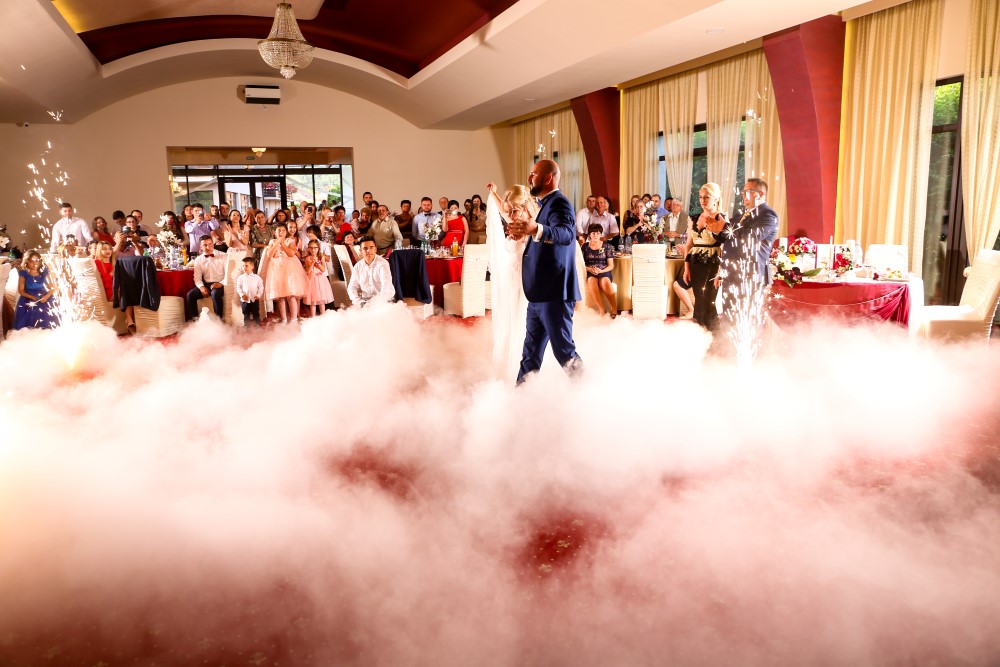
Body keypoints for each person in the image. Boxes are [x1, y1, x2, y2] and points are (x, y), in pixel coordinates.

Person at [506, 159, 583, 384]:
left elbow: (565, 234)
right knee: (530, 354)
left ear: (548, 177)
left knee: (564, 352)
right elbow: (544, 239)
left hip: (554, 293)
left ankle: (586, 388)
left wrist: (536, 229)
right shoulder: (545, 204)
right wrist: (528, 233)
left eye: (533, 174)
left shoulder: (559, 203)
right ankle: (520, 397)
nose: (529, 178)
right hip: (539, 294)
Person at [486, 181, 534, 382]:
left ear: (524, 207)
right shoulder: (515, 219)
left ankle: (523, 361)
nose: (510, 215)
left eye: (514, 210)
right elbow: (502, 210)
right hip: (510, 277)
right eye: (510, 211)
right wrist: (494, 193)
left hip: (524, 279)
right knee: (509, 316)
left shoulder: (531, 225)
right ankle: (508, 360)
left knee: (521, 317)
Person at [718, 177, 780, 328]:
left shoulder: (768, 215)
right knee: (729, 316)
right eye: (743, 191)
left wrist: (724, 226)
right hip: (732, 272)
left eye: (748, 191)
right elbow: (726, 236)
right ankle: (727, 343)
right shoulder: (740, 214)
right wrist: (715, 228)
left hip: (751, 273)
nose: (743, 195)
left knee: (749, 318)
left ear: (760, 194)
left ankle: (755, 343)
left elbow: (751, 237)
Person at [682, 182, 727, 331]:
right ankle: (701, 334)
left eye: (706, 197)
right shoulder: (694, 218)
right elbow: (689, 245)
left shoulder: (721, 218)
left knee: (709, 301)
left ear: (715, 199)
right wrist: (686, 269)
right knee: (699, 300)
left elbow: (726, 247)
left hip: (713, 264)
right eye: (701, 197)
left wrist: (721, 272)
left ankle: (715, 336)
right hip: (695, 263)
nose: (703, 200)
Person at [264, 222, 307, 324]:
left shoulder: (290, 241)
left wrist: (282, 243)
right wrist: (277, 242)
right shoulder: (272, 241)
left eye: (283, 230)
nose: (281, 232)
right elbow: (270, 254)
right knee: (280, 296)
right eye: (279, 230)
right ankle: (283, 319)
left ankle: (294, 319)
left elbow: (291, 253)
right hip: (277, 269)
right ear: (274, 232)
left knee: (291, 295)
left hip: (289, 269)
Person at [12, 251, 58, 330]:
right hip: (28, 299)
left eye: (37, 261)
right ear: (26, 262)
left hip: (45, 299)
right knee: (29, 321)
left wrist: (46, 297)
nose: (34, 264)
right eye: (31, 261)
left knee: (45, 320)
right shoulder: (24, 273)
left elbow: (52, 288)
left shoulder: (44, 272)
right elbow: (21, 290)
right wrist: (32, 297)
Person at [185, 236, 227, 321]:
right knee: (190, 295)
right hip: (206, 284)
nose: (208, 247)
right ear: (201, 247)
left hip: (220, 283)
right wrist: (201, 287)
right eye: (205, 245)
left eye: (210, 244)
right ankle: (195, 321)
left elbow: (228, 275)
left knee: (215, 294)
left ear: (213, 244)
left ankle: (219, 321)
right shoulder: (198, 259)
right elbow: (197, 277)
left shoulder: (224, 256)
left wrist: (220, 284)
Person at [582, 223, 618, 317]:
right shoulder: (585, 246)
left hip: (604, 271)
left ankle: (614, 308)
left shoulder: (607, 246)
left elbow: (611, 265)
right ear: (589, 234)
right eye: (593, 233)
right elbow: (581, 263)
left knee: (604, 281)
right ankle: (601, 309)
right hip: (590, 272)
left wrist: (601, 271)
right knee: (591, 281)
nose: (595, 235)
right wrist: (589, 269)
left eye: (598, 233)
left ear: (601, 234)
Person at [347, 236, 394, 306]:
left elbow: (386, 286)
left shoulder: (383, 263)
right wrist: (357, 301)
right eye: (365, 248)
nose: (368, 251)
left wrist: (379, 304)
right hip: (366, 301)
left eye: (371, 247)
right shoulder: (357, 266)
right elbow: (352, 287)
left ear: (375, 249)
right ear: (361, 251)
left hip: (385, 300)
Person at [302, 240, 334, 316]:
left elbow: (323, 269)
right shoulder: (307, 258)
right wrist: (312, 263)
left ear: (318, 248)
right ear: (308, 249)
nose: (313, 250)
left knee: (321, 300)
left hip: (320, 279)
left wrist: (317, 263)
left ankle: (323, 316)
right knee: (312, 301)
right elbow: (308, 271)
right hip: (311, 280)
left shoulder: (321, 257)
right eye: (311, 248)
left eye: (315, 248)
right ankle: (313, 317)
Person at [235, 256, 264, 326]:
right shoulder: (240, 278)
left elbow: (261, 287)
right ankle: (247, 327)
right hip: (245, 300)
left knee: (256, 313)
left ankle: (257, 326)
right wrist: (242, 295)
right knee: (246, 314)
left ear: (252, 267)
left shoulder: (257, 277)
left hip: (254, 299)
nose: (244, 267)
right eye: (243, 266)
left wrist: (258, 295)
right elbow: (238, 287)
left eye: (246, 266)